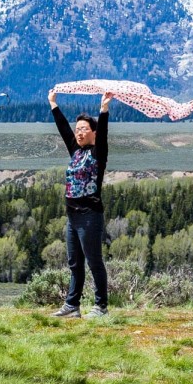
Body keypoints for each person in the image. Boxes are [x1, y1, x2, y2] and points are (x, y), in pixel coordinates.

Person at [48, 88, 112, 318]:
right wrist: (53, 104)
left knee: (94, 261)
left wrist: (103, 109)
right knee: (74, 262)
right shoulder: (75, 151)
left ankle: (101, 306)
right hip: (72, 216)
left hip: (90, 215)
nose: (79, 133)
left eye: (84, 129)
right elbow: (63, 129)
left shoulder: (98, 152)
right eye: (78, 130)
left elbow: (104, 133)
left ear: (93, 132)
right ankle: (72, 306)